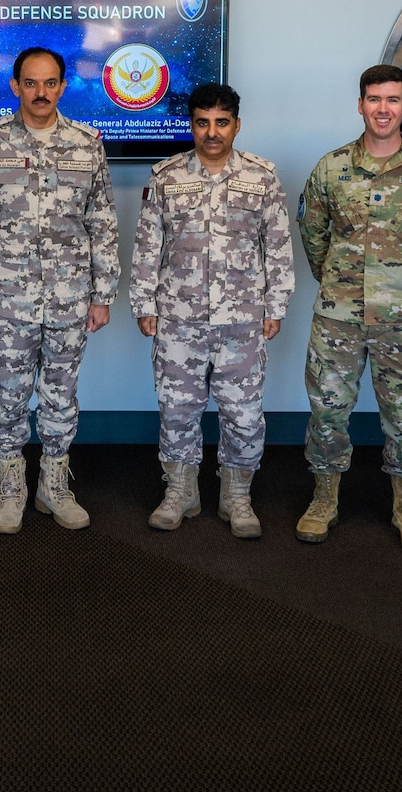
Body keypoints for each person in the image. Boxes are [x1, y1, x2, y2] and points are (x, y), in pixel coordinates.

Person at [298, 65, 402, 554]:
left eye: (392, 100)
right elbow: (313, 234)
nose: (383, 108)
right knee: (327, 410)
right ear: (360, 104)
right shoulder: (331, 168)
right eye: (374, 99)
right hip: (338, 316)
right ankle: (324, 498)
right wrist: (339, 282)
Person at [0, 47, 120, 534]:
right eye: (31, 83)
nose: (41, 92)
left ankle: (54, 483)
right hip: (7, 298)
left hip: (71, 295)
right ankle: (12, 486)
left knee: (61, 395)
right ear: (15, 86)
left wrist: (101, 294)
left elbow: (103, 221)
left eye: (50, 83)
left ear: (63, 87)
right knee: (8, 396)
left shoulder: (87, 143)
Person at [129, 83, 296, 538]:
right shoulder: (166, 177)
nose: (212, 132)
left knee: (243, 412)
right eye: (202, 122)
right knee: (177, 409)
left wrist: (275, 305)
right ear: (192, 124)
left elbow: (278, 247)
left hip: (241, 319)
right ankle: (180, 490)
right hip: (177, 319)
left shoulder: (262, 177)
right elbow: (148, 248)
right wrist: (144, 304)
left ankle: (236, 494)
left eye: (222, 123)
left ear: (236, 125)